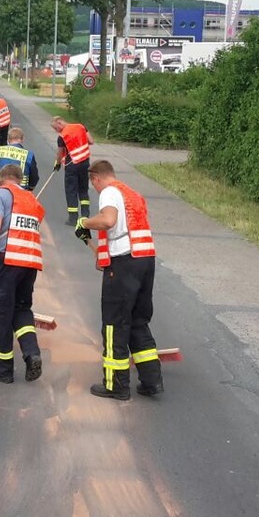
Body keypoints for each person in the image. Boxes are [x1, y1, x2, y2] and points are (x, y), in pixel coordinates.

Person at [74, 160, 162, 401]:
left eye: (93, 183)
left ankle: (116, 385)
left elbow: (108, 221)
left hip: (124, 265)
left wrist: (84, 223)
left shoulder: (109, 192)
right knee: (138, 321)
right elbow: (123, 230)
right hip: (145, 260)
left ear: (96, 178)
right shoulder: (131, 194)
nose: (94, 188)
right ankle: (151, 381)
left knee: (114, 324)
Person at [0, 163, 45, 384]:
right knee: (22, 309)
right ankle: (32, 354)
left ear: (1, 180)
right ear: (20, 180)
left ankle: (3, 369)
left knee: (1, 312)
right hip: (30, 263)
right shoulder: (33, 201)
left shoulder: (0, 193)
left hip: (9, 260)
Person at [50, 116, 93, 225]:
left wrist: (57, 164)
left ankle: (73, 219)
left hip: (72, 165)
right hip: (85, 163)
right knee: (83, 189)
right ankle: (85, 215)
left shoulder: (62, 136)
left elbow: (60, 153)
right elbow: (91, 141)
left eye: (56, 128)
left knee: (71, 191)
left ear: (60, 122)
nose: (56, 131)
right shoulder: (81, 127)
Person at [0, 127, 41, 203]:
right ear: (22, 139)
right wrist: (29, 189)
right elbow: (34, 178)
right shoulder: (28, 155)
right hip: (20, 194)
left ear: (8, 139)